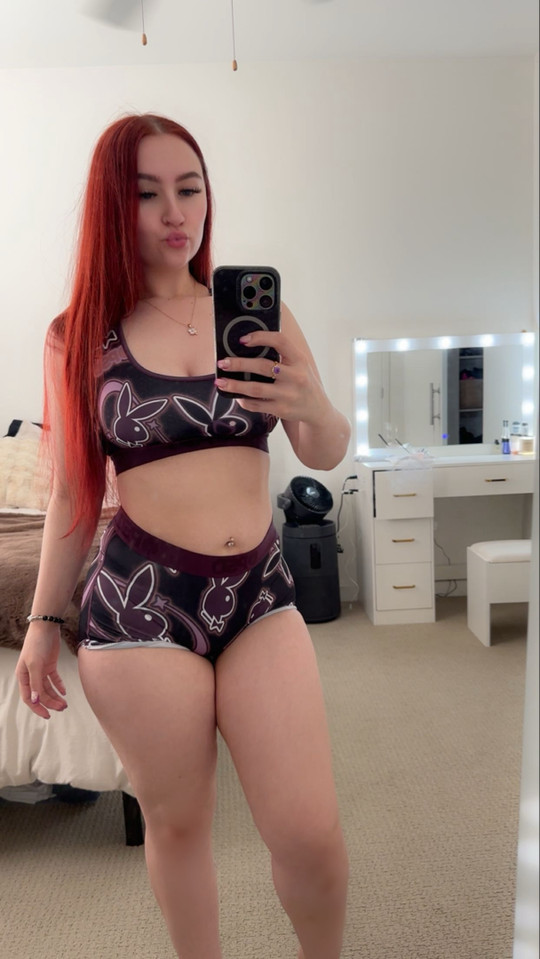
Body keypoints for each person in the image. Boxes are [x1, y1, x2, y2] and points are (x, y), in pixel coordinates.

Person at [16, 113, 351, 959]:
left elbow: (324, 450)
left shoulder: (261, 315)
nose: (176, 211)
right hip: (141, 605)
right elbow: (72, 493)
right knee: (179, 823)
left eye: (190, 188)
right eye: (147, 193)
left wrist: (311, 403)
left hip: (260, 593)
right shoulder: (77, 335)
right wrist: (41, 622)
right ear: (113, 207)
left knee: (309, 832)